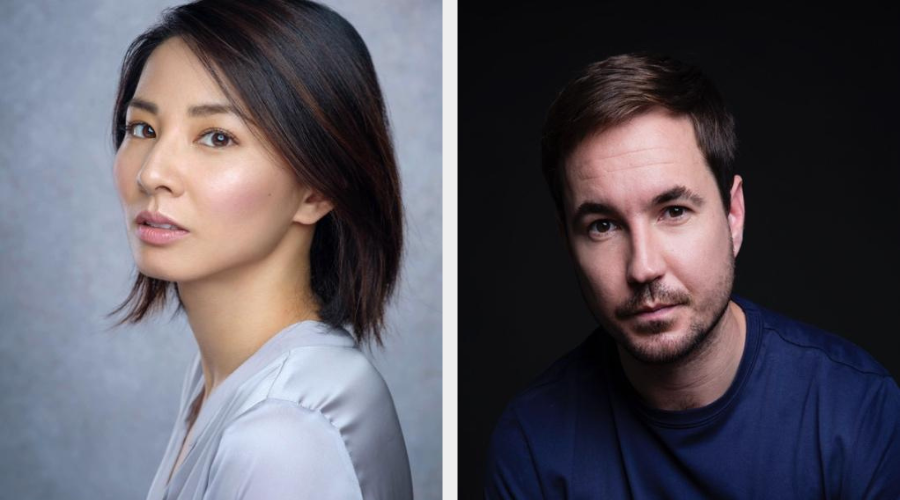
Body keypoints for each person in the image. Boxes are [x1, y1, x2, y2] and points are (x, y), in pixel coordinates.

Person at [484, 53, 900, 499]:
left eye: (674, 211)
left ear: (733, 213)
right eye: (603, 225)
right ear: (568, 242)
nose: (643, 267)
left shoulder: (857, 410)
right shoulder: (530, 444)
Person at [108, 1, 412, 498]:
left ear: (317, 188)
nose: (152, 173)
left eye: (216, 137)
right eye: (143, 129)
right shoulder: (235, 376)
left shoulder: (280, 434)